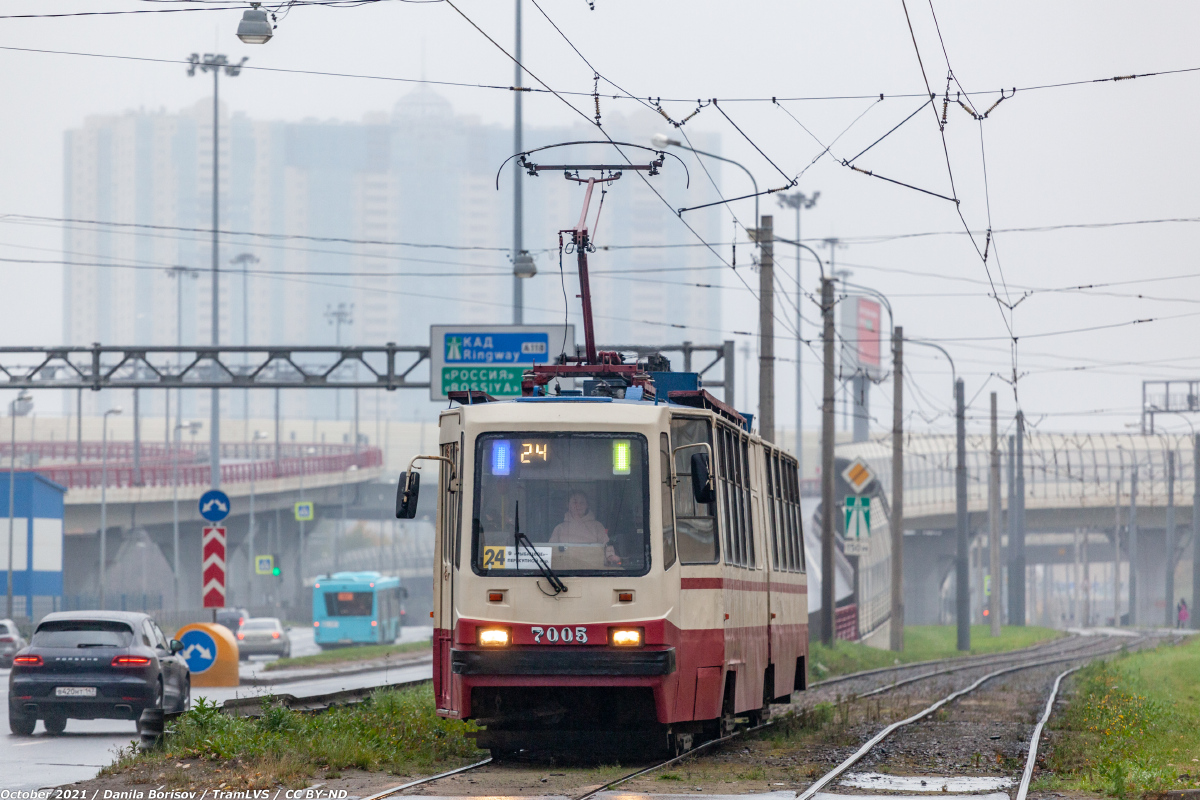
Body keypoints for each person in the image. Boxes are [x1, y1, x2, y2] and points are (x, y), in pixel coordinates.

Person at [550, 491, 620, 566]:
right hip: (564, 574)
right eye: (575, 502)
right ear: (568, 505)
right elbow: (551, 553)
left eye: (582, 503)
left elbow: (607, 547)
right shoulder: (559, 528)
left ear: (587, 505)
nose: (578, 505)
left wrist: (610, 557)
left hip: (593, 573)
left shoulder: (597, 526)